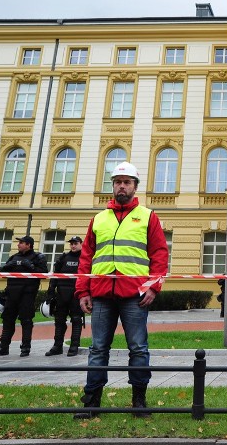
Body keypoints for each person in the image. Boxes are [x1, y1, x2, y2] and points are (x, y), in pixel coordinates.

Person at [73, 162, 170, 418]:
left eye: (127, 182)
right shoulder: (98, 219)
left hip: (135, 296)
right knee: (97, 349)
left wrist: (154, 287)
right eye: (118, 182)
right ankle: (92, 403)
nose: (122, 186)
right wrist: (83, 291)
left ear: (135, 187)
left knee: (138, 348)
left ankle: (139, 401)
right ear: (112, 186)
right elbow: (86, 257)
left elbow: (159, 254)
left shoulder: (148, 216)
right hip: (102, 295)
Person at [0, 236, 48, 358]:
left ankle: (25, 347)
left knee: (26, 320)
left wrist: (30, 266)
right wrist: (8, 266)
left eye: (21, 243)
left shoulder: (38, 257)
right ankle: (3, 346)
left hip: (27, 294)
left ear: (28, 245)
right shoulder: (14, 257)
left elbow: (43, 273)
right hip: (11, 293)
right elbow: (2, 272)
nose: (18, 245)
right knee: (7, 319)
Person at [45, 236, 85, 357]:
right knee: (59, 320)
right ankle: (57, 346)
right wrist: (51, 291)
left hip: (76, 294)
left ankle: (74, 346)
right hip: (62, 294)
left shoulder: (85, 258)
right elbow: (55, 275)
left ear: (81, 244)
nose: (73, 246)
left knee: (77, 320)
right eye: (71, 244)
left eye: (76, 243)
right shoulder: (63, 258)